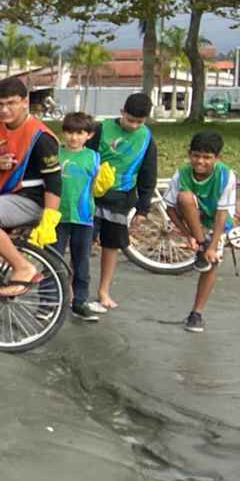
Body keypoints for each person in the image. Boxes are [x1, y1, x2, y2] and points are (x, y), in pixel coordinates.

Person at [0, 77, 63, 327]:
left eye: (11, 103)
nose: (4, 109)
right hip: (3, 196)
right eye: (0, 104)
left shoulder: (40, 137)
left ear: (25, 102)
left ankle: (23, 267)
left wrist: (49, 219)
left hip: (30, 197)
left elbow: (54, 181)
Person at [86, 92, 158, 312]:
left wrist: (142, 207)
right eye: (130, 120)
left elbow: (148, 172)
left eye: (139, 122)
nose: (134, 125)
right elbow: (85, 157)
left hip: (121, 199)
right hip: (91, 197)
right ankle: (74, 290)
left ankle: (103, 290)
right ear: (121, 113)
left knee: (111, 246)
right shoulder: (101, 129)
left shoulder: (146, 138)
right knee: (83, 244)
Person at [165, 130, 234, 333]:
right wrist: (188, 235)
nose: (200, 161)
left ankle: (196, 313)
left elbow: (222, 213)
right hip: (192, 218)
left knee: (211, 263)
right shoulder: (182, 173)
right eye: (196, 155)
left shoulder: (226, 175)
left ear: (217, 158)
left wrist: (213, 246)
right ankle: (201, 245)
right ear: (189, 154)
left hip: (215, 221)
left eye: (207, 157)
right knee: (185, 197)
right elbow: (170, 208)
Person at [56, 112, 116, 323]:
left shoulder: (93, 157)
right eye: (70, 132)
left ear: (89, 135)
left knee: (81, 261)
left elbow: (97, 187)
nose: (73, 137)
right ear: (63, 132)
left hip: (83, 217)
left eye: (79, 133)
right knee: (53, 260)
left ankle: (80, 302)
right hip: (57, 216)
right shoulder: (55, 154)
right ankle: (49, 302)